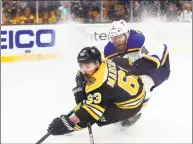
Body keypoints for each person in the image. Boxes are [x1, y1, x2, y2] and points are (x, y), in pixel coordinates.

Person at [47, 46, 146, 135]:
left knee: (98, 117)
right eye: (81, 65)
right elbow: (81, 73)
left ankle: (128, 119)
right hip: (134, 87)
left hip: (131, 105)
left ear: (97, 63)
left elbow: (90, 114)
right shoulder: (101, 59)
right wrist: (80, 88)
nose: (84, 69)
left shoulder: (99, 84)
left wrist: (68, 124)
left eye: (87, 66)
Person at [104, 19, 171, 127]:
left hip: (160, 65)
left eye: (120, 37)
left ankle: (136, 113)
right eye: (114, 38)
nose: (117, 41)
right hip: (138, 63)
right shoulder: (109, 50)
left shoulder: (139, 41)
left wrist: (129, 67)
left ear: (127, 35)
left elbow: (152, 64)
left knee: (144, 83)